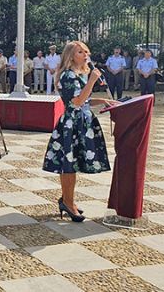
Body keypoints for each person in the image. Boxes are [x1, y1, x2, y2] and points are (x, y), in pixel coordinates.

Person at [42, 41, 116, 222]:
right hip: (71, 124)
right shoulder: (68, 75)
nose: (85, 55)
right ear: (70, 56)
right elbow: (75, 102)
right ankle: (68, 202)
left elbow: (85, 100)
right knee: (68, 165)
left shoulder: (80, 74)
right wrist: (92, 80)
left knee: (73, 165)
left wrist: (103, 101)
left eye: (86, 52)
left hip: (83, 122)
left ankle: (68, 200)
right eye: (80, 52)